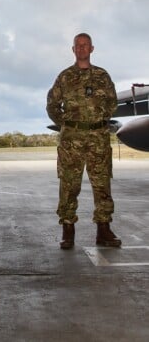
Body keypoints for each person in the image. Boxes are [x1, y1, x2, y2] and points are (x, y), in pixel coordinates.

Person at [46, 33, 121, 250]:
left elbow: (112, 102)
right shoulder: (65, 77)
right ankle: (68, 230)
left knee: (102, 185)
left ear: (92, 48)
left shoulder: (102, 76)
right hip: (72, 141)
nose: (81, 48)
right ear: (73, 49)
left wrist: (101, 119)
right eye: (78, 45)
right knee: (69, 184)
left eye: (85, 45)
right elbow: (52, 105)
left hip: (98, 138)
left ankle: (104, 230)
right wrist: (66, 124)